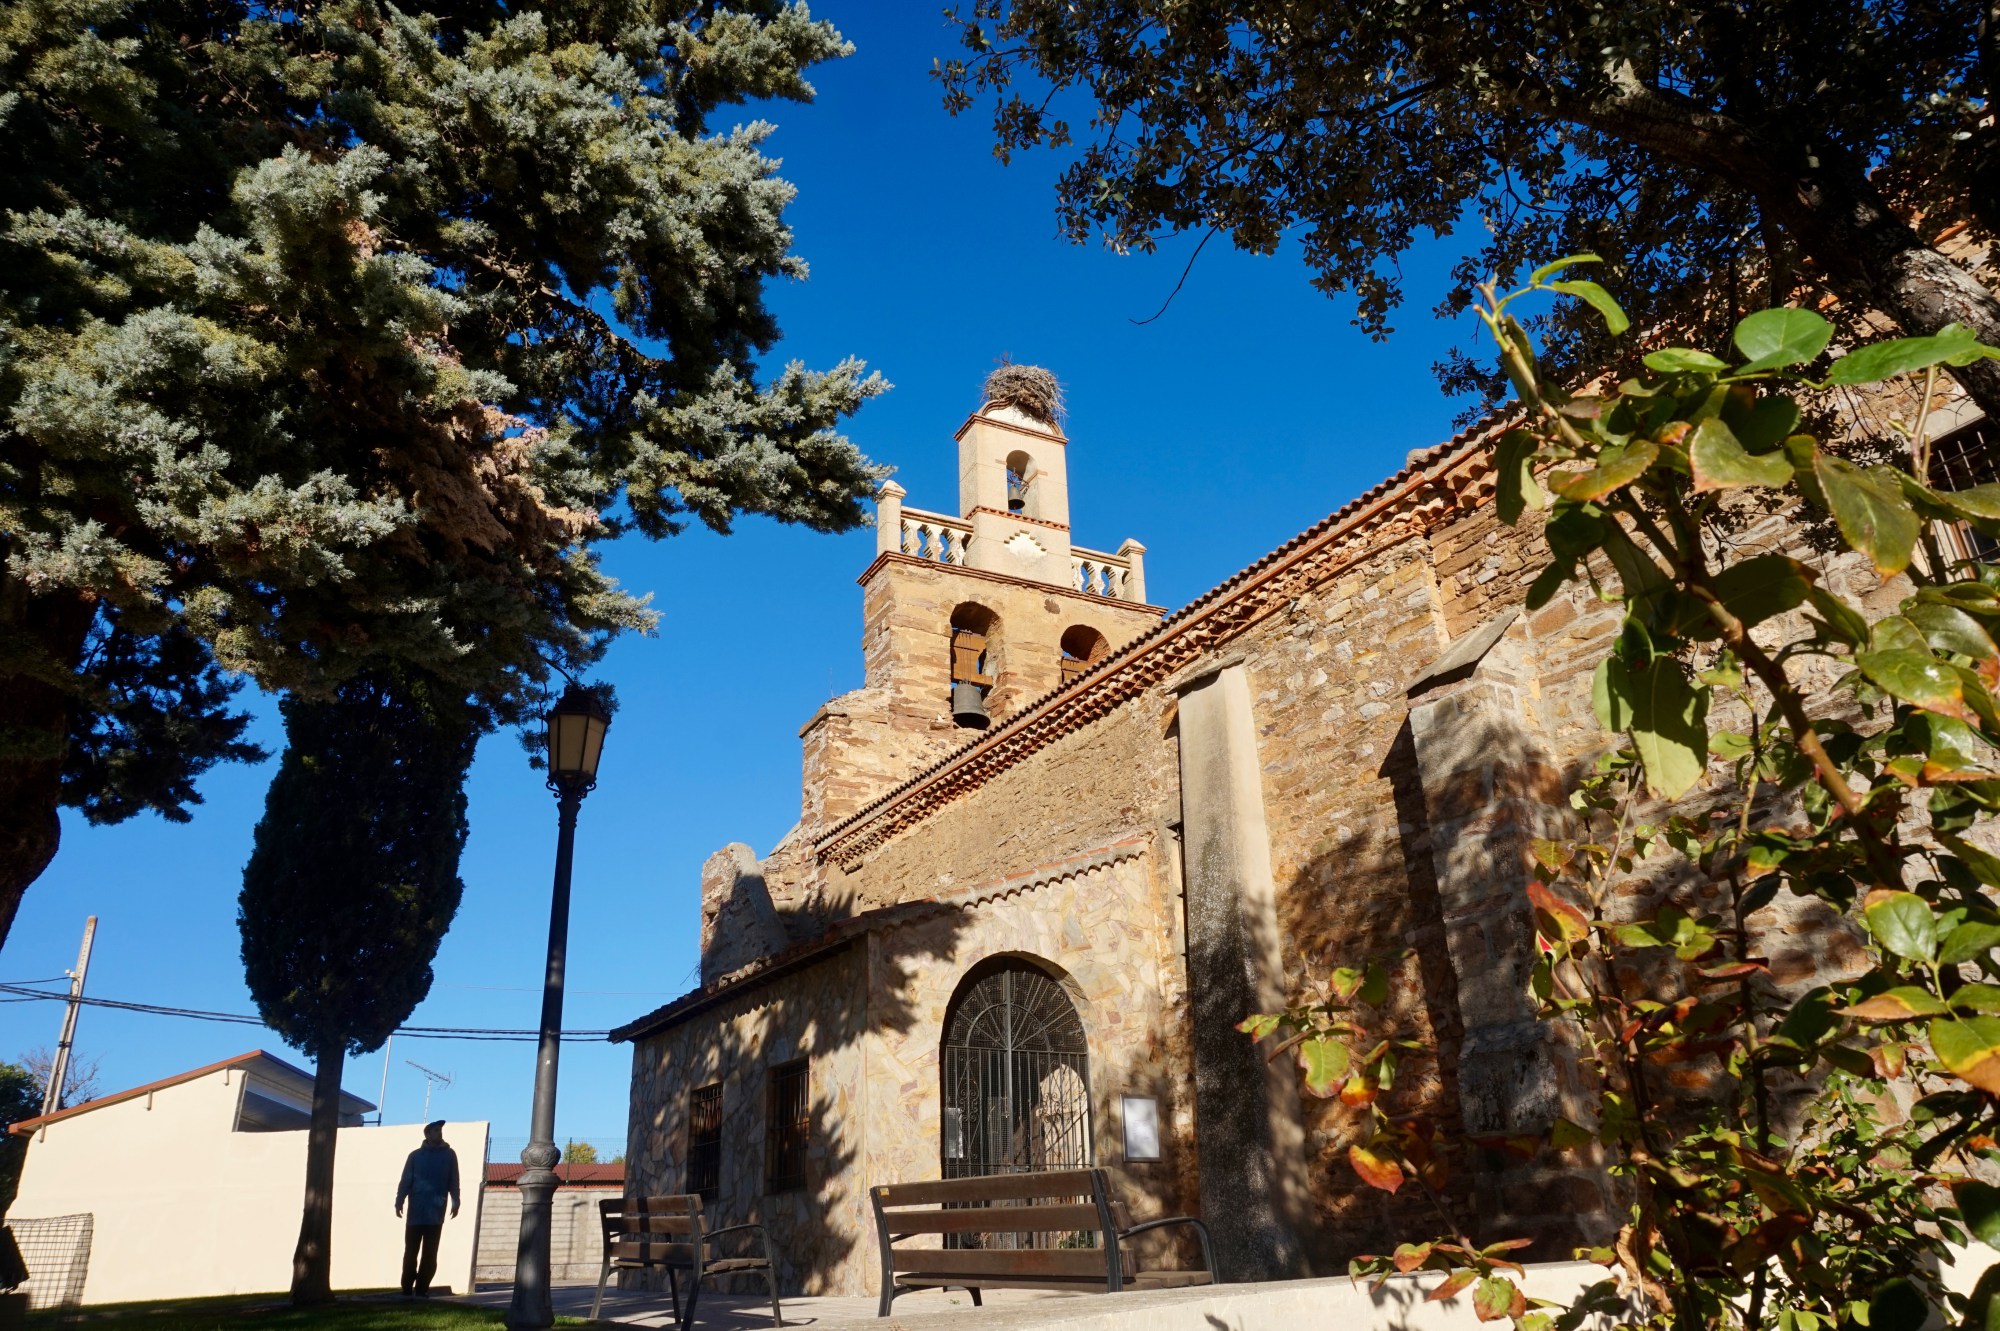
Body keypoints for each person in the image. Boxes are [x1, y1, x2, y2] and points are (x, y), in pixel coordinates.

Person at [395, 1120, 461, 1297]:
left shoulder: (449, 1155)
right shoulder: (415, 1156)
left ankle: (422, 1288)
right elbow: (406, 1180)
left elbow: (454, 1180)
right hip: (415, 1214)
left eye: (440, 1130)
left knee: (430, 1254)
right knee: (410, 1253)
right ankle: (407, 1287)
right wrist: (399, 1200)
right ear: (428, 1134)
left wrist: (456, 1200)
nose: (440, 1133)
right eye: (436, 1130)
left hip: (436, 1214)